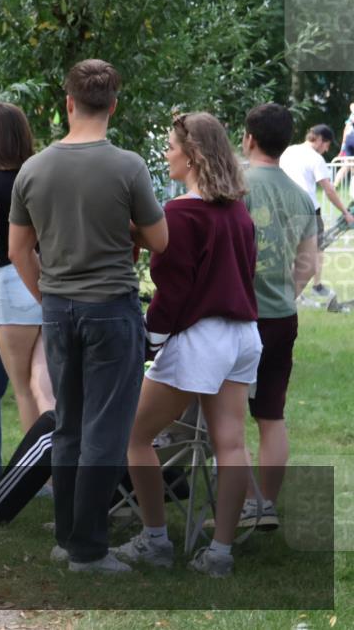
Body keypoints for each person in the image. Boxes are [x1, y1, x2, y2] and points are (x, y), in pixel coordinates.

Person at [9, 59, 167, 574]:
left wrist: (47, 295)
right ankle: (89, 551)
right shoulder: (128, 166)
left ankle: (68, 536)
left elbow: (18, 250)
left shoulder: (33, 169)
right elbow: (160, 240)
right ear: (113, 105)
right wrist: (130, 230)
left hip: (58, 310)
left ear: (69, 103)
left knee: (69, 424)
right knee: (106, 428)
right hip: (112, 310)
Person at [114, 112, 260, 578]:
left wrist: (151, 341)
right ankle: (220, 553)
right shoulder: (238, 209)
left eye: (172, 145)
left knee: (134, 435)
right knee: (231, 443)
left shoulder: (180, 213)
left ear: (192, 154)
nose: (166, 152)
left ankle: (154, 539)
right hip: (243, 334)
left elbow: (173, 290)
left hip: (200, 337)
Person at [239, 103, 318, 530]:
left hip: (237, 316)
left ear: (249, 138)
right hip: (282, 316)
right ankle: (265, 503)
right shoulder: (302, 196)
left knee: (228, 416)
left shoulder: (234, 186)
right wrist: (286, 292)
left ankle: (247, 499)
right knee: (271, 414)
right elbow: (307, 265)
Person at [0, 102, 54, 434]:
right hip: (50, 283)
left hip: (11, 284)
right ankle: (61, 472)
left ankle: (38, 473)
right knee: (45, 388)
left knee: (23, 391)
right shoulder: (42, 176)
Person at [280, 124, 354, 300]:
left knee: (289, 253)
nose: (327, 149)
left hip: (284, 209)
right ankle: (303, 291)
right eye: (327, 144)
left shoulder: (288, 151)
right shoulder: (315, 159)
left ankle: (290, 291)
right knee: (311, 255)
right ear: (320, 139)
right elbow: (328, 190)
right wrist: (345, 212)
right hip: (308, 211)